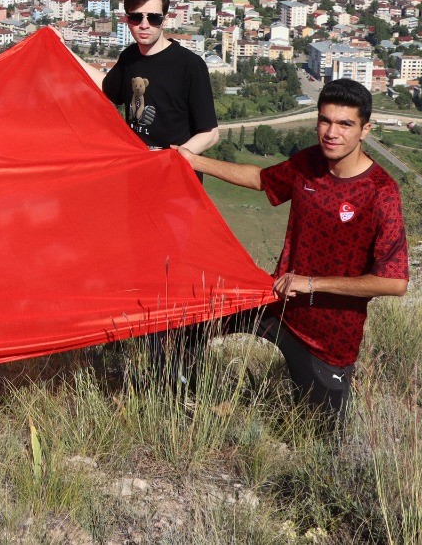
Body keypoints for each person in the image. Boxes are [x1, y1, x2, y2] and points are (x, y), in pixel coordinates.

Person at [175, 78, 409, 419]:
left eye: (345, 124)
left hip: (328, 337)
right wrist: (192, 162)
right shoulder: (310, 162)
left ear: (365, 130)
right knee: (186, 322)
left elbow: (394, 282)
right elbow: (261, 180)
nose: (332, 132)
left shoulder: (381, 192)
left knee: (319, 436)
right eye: (325, 120)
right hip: (276, 304)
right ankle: (184, 402)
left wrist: (311, 283)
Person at [101, 0, 219, 152]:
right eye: (136, 17)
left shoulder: (190, 65)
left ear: (164, 20)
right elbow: (105, 86)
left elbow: (210, 134)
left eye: (154, 18)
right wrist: (63, 49)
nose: (144, 25)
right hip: (138, 171)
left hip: (174, 174)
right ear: (127, 20)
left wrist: (170, 158)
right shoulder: (129, 57)